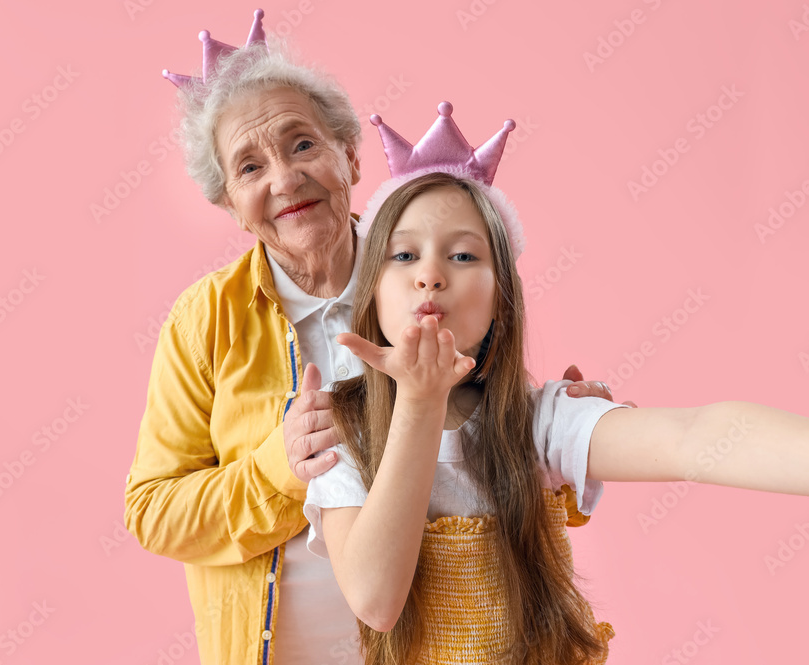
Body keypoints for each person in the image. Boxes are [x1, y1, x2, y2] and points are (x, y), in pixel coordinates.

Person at [301, 103, 809, 664]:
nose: (430, 274)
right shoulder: (337, 430)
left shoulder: (538, 420)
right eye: (403, 256)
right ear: (371, 291)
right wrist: (418, 402)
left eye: (463, 256)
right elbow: (376, 600)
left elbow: (701, 438)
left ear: (501, 305)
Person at [123, 11, 630, 665]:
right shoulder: (203, 321)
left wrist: (573, 437)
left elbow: (495, 431)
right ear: (227, 201)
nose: (283, 179)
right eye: (249, 167)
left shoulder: (424, 274)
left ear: (349, 153)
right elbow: (153, 510)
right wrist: (279, 467)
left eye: (302, 144)